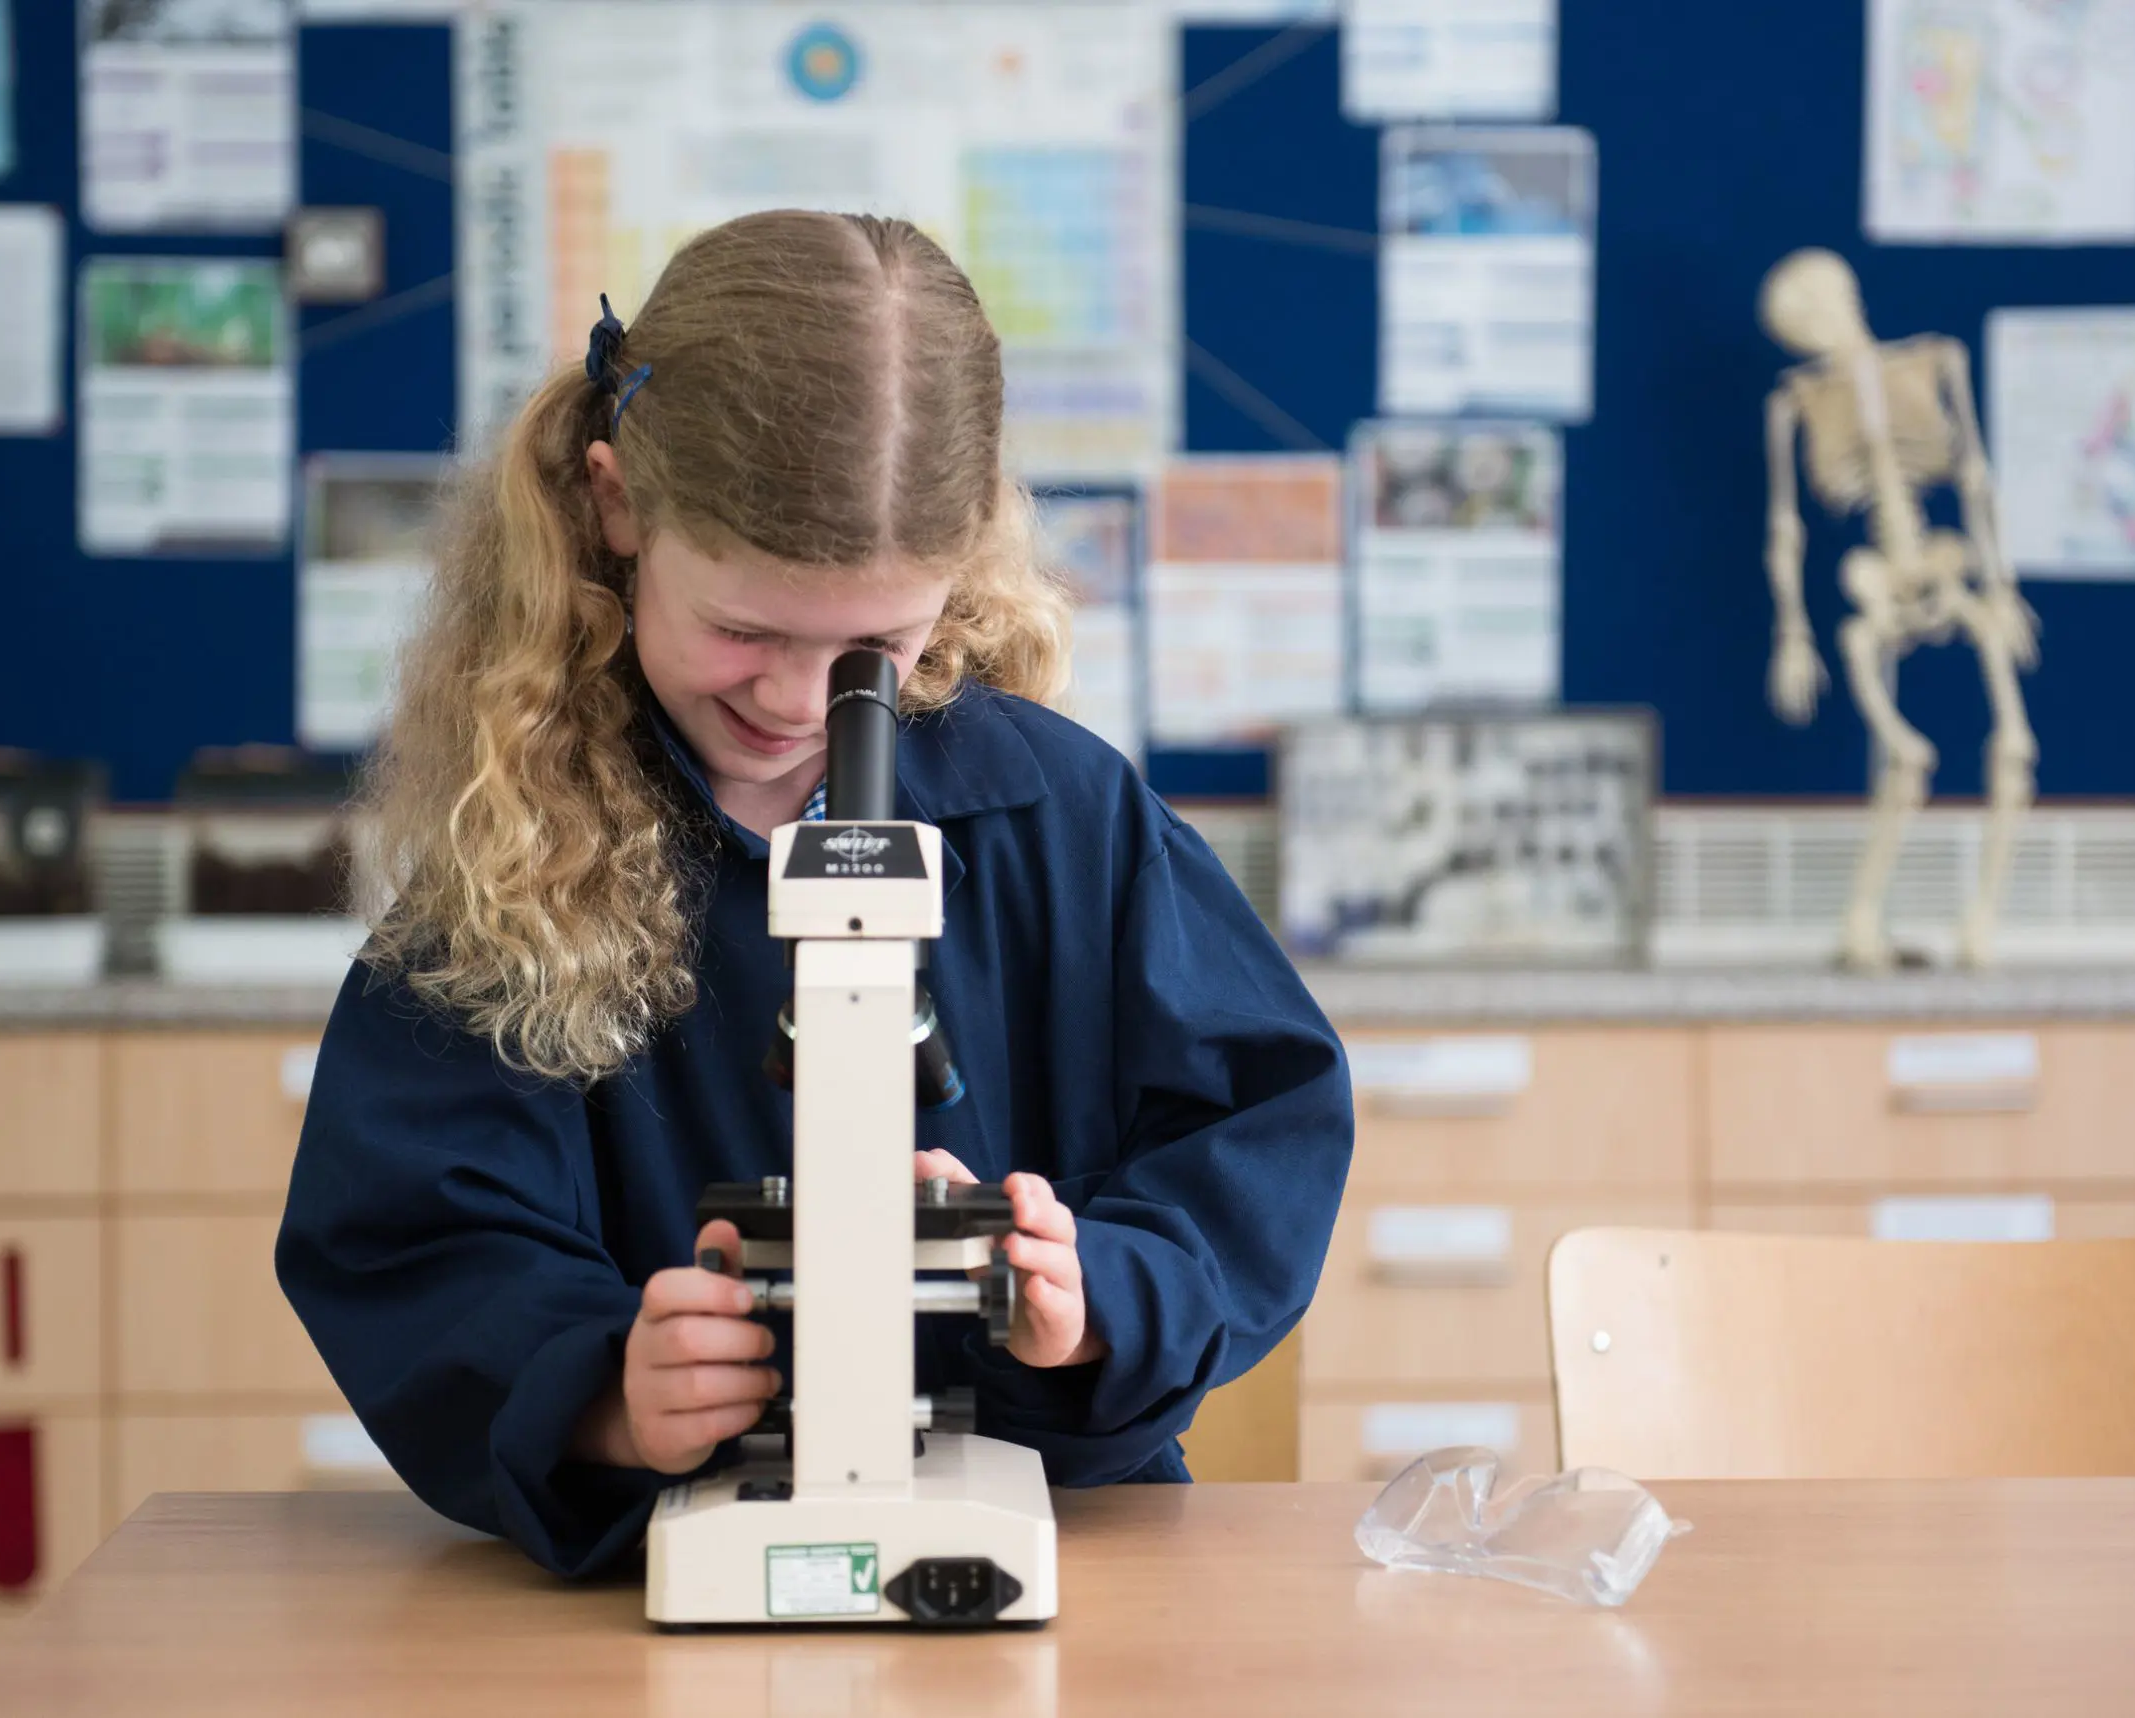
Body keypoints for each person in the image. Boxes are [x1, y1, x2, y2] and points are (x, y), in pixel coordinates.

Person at [276, 209, 1354, 1578]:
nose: (798, 701)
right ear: (617, 506)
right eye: (744, 631)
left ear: (955, 577)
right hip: (642, 1580)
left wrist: (1098, 1294)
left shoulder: (1060, 816)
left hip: (1058, 1530)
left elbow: (1261, 1123)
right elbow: (410, 1230)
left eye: (872, 649)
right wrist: (606, 1388)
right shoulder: (521, 848)